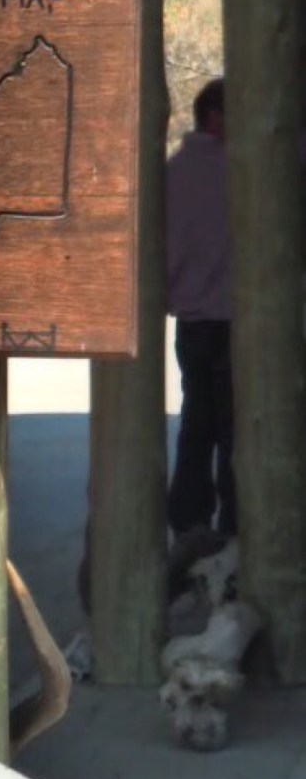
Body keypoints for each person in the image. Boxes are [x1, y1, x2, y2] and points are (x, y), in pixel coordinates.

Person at [165, 76, 236, 543]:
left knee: (197, 423)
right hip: (234, 323)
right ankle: (236, 525)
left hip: (191, 323)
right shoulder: (244, 168)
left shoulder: (172, 172)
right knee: (237, 430)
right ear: (215, 117)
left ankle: (189, 520)